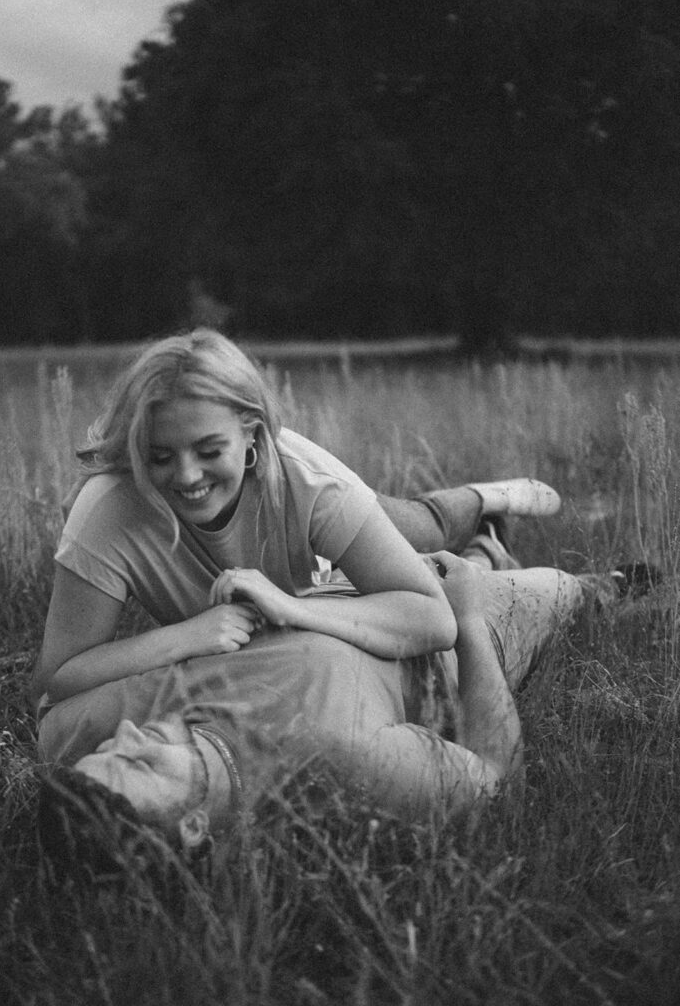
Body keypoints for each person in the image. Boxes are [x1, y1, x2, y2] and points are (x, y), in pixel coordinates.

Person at [33, 328, 566, 857]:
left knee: (419, 528)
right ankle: (499, 554)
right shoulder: (112, 510)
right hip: (337, 616)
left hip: (324, 584)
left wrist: (291, 606)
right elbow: (59, 676)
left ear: (251, 434)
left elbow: (432, 614)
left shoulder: (303, 477)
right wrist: (187, 636)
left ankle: (483, 501)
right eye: (159, 456)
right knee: (532, 591)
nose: (185, 474)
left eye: (208, 448)